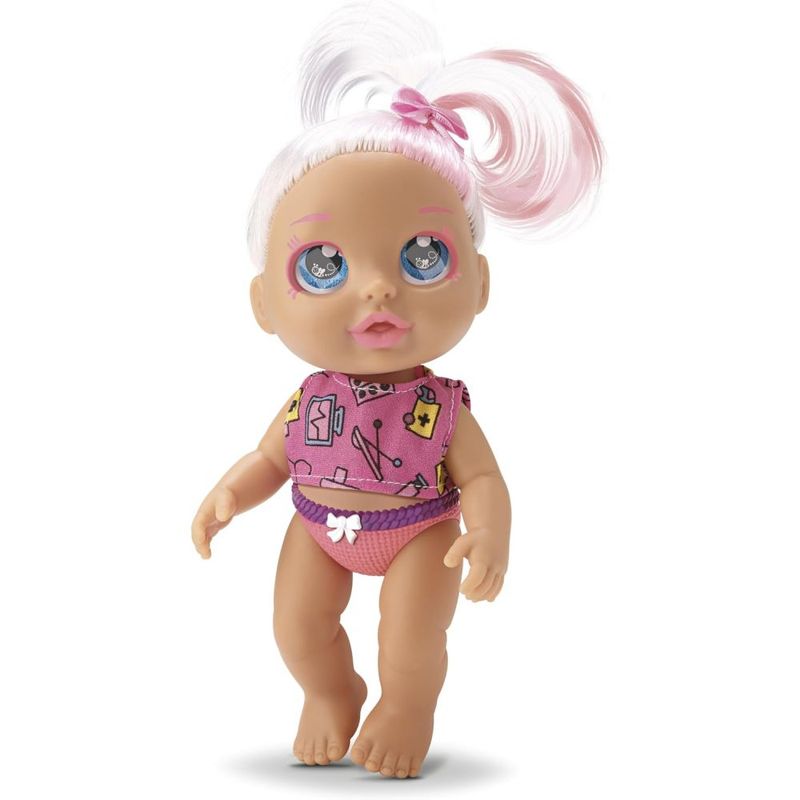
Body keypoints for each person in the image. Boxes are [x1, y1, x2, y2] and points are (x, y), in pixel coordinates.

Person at [191, 0, 603, 779]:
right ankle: (331, 692)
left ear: (480, 283)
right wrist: (229, 494)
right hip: (318, 524)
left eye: (422, 256)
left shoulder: (440, 407)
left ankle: (406, 708)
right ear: (264, 304)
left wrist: (490, 533)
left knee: (410, 641)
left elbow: (482, 478)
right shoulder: (307, 401)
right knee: (295, 627)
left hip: (420, 532)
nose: (378, 288)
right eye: (324, 266)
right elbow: (270, 459)